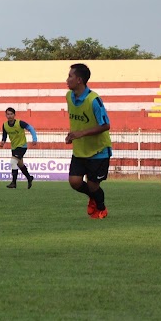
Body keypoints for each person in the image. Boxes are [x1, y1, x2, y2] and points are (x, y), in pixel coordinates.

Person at [65, 63, 112, 219]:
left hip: (98, 150)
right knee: (75, 182)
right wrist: (72, 135)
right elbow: (78, 121)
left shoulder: (94, 100)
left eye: (70, 76)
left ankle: (101, 207)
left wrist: (81, 133)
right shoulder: (68, 97)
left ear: (79, 80)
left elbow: (106, 125)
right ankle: (93, 197)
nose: (67, 79)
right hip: (80, 150)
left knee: (93, 185)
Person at [0, 107, 37, 189]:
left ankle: (14, 183)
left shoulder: (20, 123)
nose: (9, 116)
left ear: (14, 115)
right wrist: (3, 141)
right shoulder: (5, 125)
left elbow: (31, 128)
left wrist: (34, 139)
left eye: (11, 114)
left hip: (22, 146)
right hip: (14, 147)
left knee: (13, 162)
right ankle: (29, 178)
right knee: (20, 164)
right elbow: (4, 135)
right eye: (8, 114)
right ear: (6, 115)